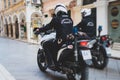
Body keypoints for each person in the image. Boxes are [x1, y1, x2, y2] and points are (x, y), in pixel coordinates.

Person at [33, 3, 74, 68]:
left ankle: (51, 63)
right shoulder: (70, 19)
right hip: (70, 40)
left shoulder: (56, 19)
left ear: (56, 11)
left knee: (45, 44)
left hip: (60, 40)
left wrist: (39, 30)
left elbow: (48, 27)